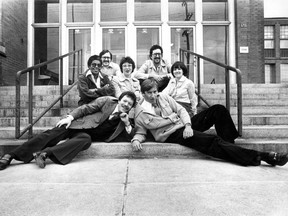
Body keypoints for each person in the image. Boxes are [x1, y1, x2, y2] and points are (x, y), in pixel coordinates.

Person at [131, 78, 288, 167]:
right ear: (143, 94)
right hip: (171, 134)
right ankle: (262, 157)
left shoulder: (163, 97)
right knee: (213, 141)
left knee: (217, 109)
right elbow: (140, 131)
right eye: (150, 93)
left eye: (155, 91)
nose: (154, 95)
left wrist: (187, 125)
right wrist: (136, 139)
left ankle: (230, 145)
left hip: (183, 126)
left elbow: (181, 111)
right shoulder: (140, 112)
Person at [0, 91, 137, 170]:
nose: (126, 105)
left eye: (129, 104)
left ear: (131, 107)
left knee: (86, 140)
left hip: (84, 135)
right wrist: (70, 117)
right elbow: (86, 108)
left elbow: (130, 136)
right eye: (125, 101)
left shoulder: (125, 120)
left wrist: (126, 123)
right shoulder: (107, 101)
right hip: (78, 124)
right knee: (51, 134)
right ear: (119, 100)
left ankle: (44, 154)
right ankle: (11, 156)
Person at [163, 61, 239, 143]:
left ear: (183, 71)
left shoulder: (188, 83)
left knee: (219, 110)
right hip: (175, 111)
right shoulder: (171, 82)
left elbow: (193, 99)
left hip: (185, 109)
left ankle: (229, 139)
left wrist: (193, 113)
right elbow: (164, 94)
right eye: (174, 69)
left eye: (179, 69)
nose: (176, 71)